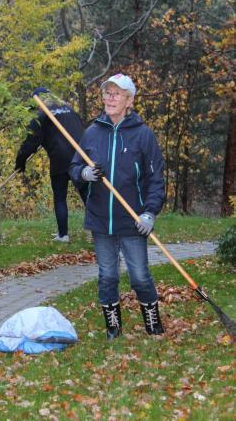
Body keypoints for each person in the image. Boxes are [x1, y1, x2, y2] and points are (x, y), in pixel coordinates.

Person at [69, 73, 166, 341]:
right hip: (101, 219)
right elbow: (74, 167)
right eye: (107, 93)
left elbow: (156, 179)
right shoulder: (92, 132)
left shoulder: (142, 135)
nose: (110, 98)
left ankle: (152, 323)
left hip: (132, 220)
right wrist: (84, 173)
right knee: (107, 276)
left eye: (117, 93)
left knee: (139, 277)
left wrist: (149, 212)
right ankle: (113, 328)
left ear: (129, 100)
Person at [15, 88, 88, 243]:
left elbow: (30, 142)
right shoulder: (69, 109)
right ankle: (101, 230)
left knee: (60, 196)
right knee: (87, 195)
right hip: (81, 155)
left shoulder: (41, 116)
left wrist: (20, 161)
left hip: (60, 158)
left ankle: (63, 235)